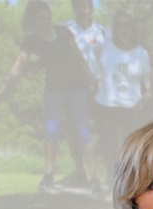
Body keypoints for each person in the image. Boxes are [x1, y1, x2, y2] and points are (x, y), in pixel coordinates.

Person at [0, 0, 97, 192]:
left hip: (77, 88)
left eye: (46, 13)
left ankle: (93, 179)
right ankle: (48, 175)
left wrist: (91, 80)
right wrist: (4, 89)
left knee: (83, 131)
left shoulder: (64, 32)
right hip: (54, 91)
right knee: (51, 131)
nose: (45, 17)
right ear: (33, 18)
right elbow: (19, 66)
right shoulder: (31, 39)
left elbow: (79, 58)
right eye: (40, 14)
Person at [95, 11, 152, 190]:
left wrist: (139, 106)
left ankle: (129, 183)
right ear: (115, 28)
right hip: (107, 105)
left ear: (132, 28)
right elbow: (95, 74)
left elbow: (149, 87)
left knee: (130, 148)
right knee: (108, 145)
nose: (123, 29)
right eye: (119, 25)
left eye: (126, 25)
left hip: (131, 107)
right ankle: (111, 181)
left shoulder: (141, 54)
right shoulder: (106, 48)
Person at [62, 0, 107, 187]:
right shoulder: (65, 30)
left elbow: (108, 60)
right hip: (72, 87)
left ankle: (109, 173)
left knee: (103, 130)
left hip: (99, 89)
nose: (83, 7)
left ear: (91, 7)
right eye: (79, 4)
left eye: (87, 3)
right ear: (74, 7)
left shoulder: (103, 32)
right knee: (74, 131)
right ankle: (80, 170)